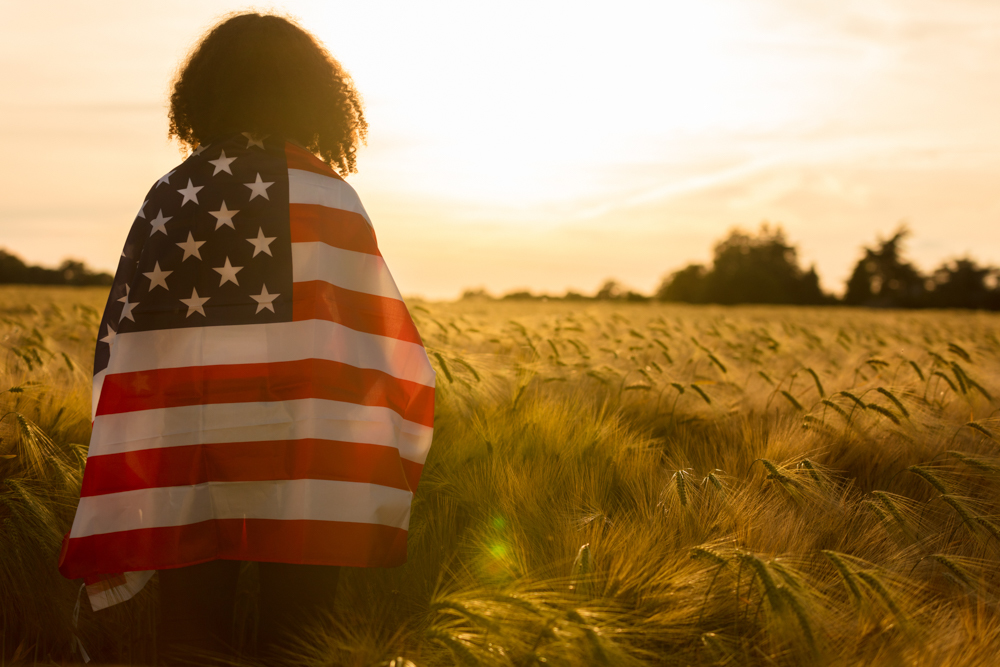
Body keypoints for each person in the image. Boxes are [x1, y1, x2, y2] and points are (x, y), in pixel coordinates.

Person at [57, 12, 436, 662]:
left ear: (201, 96)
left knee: (189, 638)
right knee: (299, 637)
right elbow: (383, 346)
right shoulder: (328, 194)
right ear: (315, 96)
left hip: (187, 458)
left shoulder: (171, 195)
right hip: (306, 459)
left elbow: (122, 345)